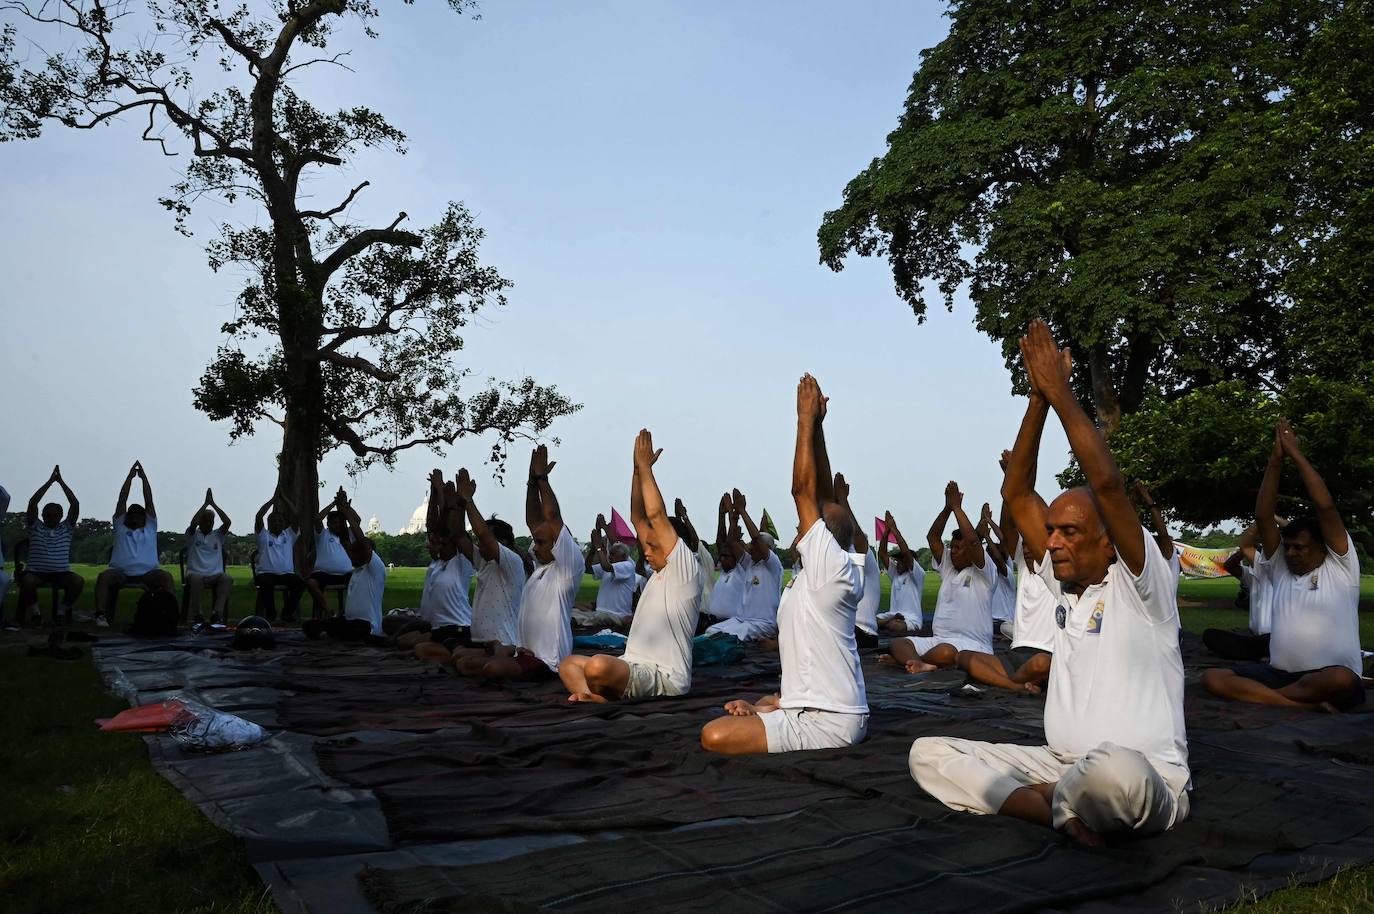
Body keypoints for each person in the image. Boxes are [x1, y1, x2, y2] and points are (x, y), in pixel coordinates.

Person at [910, 320, 1190, 846]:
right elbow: (1017, 492)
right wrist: (1036, 399)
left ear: (1109, 542)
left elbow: (1106, 483)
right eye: (1052, 530)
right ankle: (1059, 812)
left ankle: (1053, 797)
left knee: (1117, 773)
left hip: (1145, 776)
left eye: (1069, 532)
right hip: (1056, 759)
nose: (1054, 541)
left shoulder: (1140, 584)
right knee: (927, 752)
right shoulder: (1062, 584)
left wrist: (1063, 394)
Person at [701, 374, 868, 754]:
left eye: (803, 527)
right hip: (810, 706)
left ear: (824, 538)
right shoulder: (836, 567)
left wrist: (804, 423)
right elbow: (823, 496)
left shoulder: (832, 571)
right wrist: (821, 431)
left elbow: (803, 492)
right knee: (753, 703)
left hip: (829, 721)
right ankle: (775, 706)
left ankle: (774, 710)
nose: (798, 529)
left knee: (714, 735)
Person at [1200, 419, 1365, 712]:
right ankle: (1301, 705)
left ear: (1321, 547)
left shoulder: (1340, 566)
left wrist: (1295, 454)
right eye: (1287, 547)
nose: (1290, 553)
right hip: (1278, 675)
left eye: (1299, 547)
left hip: (1326, 676)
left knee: (1341, 679)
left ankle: (1277, 700)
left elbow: (1325, 506)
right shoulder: (1280, 569)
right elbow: (1264, 516)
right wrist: (1274, 462)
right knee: (1214, 677)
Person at [559, 429, 702, 702]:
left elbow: (655, 515)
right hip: (631, 665)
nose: (646, 552)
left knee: (599, 665)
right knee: (568, 665)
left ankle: (594, 694)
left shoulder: (684, 569)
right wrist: (636, 470)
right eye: (645, 545)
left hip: (665, 677)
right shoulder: (657, 573)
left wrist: (647, 469)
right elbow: (639, 517)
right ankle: (595, 697)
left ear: (675, 545)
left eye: (654, 546)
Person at [457, 446, 579, 680]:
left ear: (560, 545)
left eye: (541, 542)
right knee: (466, 664)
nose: (534, 546)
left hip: (549, 661)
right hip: (524, 652)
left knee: (491, 669)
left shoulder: (568, 568)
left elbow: (552, 518)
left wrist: (543, 479)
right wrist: (531, 483)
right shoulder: (542, 569)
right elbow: (534, 520)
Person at [956, 457, 1054, 693]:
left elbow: (1037, 518)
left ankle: (1015, 682)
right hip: (1017, 652)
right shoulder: (1021, 562)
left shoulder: (1055, 569)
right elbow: (1009, 528)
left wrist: (1019, 483)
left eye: (1034, 545)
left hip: (1046, 655)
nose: (1028, 550)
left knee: (1042, 664)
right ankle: (1016, 685)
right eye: (1025, 546)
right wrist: (1009, 483)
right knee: (964, 658)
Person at [879, 481, 994, 673]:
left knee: (946, 653)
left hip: (973, 645)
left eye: (958, 548)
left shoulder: (984, 572)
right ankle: (917, 662)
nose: (953, 552)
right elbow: (933, 538)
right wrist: (947, 508)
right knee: (900, 643)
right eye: (953, 547)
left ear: (972, 551)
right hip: (938, 640)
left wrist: (957, 508)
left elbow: (974, 542)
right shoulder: (949, 566)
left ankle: (909, 662)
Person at [421, 468, 528, 665]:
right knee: (459, 659)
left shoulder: (511, 561)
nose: (481, 545)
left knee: (466, 663)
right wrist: (458, 505)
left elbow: (482, 535)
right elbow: (459, 535)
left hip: (504, 643)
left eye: (489, 540)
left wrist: (468, 500)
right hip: (482, 642)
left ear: (503, 542)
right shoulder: (484, 561)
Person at [94, 462, 175, 627]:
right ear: (126, 518)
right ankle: (101, 615)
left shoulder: (150, 528)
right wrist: (130, 478)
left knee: (166, 577)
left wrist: (144, 478)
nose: (134, 518)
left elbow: (149, 501)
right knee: (104, 577)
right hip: (120, 573)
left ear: (144, 518)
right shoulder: (120, 529)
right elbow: (121, 501)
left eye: (139, 516)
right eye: (131, 516)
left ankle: (169, 614)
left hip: (148, 573)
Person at [703, 489, 783, 641]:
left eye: (754, 545)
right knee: (711, 631)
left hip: (763, 624)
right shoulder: (749, 564)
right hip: (742, 620)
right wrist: (734, 517)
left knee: (727, 638)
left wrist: (742, 510)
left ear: (766, 549)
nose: (750, 547)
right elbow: (732, 542)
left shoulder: (774, 565)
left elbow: (756, 538)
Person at [17, 466, 84, 626]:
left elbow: (74, 504)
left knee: (78, 581)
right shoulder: (36, 526)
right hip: (36, 572)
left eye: (55, 515)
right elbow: (33, 503)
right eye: (47, 515)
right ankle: (36, 614)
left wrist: (61, 482)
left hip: (61, 573)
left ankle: (61, 612)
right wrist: (49, 482)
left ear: (61, 516)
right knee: (27, 582)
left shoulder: (66, 528)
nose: (51, 518)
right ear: (42, 516)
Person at [1203, 520, 1277, 660]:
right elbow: (1229, 565)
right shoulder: (1254, 575)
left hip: (1273, 638)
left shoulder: (1278, 573)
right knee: (1210, 635)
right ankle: (1260, 654)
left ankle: (1263, 654)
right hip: (1257, 639)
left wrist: (1265, 518)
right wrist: (1244, 552)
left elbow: (1245, 545)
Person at [833, 473, 881, 647]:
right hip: (846, 629)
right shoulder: (838, 556)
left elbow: (857, 535)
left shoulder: (863, 558)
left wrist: (842, 500)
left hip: (862, 632)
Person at [572, 516, 637, 629]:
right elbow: (588, 569)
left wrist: (599, 547)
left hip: (616, 616)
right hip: (601, 614)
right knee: (571, 611)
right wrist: (593, 549)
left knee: (580, 618)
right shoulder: (611, 566)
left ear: (622, 556)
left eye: (612, 554)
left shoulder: (627, 565)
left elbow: (606, 566)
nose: (609, 556)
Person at [252, 487, 303, 622]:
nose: (277, 523)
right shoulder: (263, 535)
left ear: (284, 523)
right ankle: (271, 613)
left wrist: (284, 499)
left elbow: (296, 516)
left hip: (286, 574)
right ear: (268, 523)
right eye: (273, 521)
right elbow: (258, 516)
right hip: (266, 573)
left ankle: (287, 612)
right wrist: (272, 501)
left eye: (280, 521)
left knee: (300, 583)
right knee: (266, 583)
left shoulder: (289, 535)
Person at [183, 488, 233, 622]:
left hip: (215, 575)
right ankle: (197, 614)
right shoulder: (193, 535)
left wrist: (213, 504)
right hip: (195, 574)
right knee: (197, 579)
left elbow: (227, 522)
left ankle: (217, 613)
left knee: (227, 578)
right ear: (201, 521)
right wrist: (205, 504)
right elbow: (193, 523)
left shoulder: (217, 535)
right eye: (205, 520)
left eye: (211, 521)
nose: (209, 523)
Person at [875, 511, 926, 635]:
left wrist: (894, 529)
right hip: (893, 615)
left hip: (911, 619)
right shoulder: (896, 574)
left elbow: (906, 553)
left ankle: (890, 621)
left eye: (900, 561)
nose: (897, 563)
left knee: (894, 626)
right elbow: (882, 554)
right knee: (869, 620)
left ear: (909, 563)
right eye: (897, 561)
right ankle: (891, 619)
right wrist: (886, 531)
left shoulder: (917, 575)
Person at [305, 498, 355, 619]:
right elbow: (317, 519)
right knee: (311, 583)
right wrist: (333, 504)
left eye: (339, 523)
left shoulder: (347, 534)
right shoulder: (323, 534)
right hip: (323, 574)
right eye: (334, 523)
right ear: (328, 524)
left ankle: (348, 613)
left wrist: (347, 509)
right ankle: (328, 611)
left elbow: (357, 521)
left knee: (361, 581)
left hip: (345, 574)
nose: (338, 525)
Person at [702, 494, 747, 626]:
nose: (722, 559)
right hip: (715, 624)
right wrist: (721, 515)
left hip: (732, 625)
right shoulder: (724, 572)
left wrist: (733, 516)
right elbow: (720, 541)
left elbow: (730, 541)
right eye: (721, 556)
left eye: (726, 556)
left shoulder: (741, 570)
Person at [673, 497, 718, 620]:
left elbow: (695, 541)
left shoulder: (705, 561)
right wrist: (678, 519)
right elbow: (678, 541)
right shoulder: (684, 561)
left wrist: (684, 516)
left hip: (703, 615)